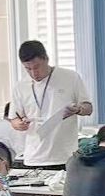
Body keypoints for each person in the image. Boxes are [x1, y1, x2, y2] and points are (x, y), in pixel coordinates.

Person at [9, 40, 92, 169]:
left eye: (37, 67)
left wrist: (78, 109)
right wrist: (19, 124)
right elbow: (14, 119)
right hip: (33, 158)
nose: (33, 73)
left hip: (65, 156)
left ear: (46, 59)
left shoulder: (70, 77)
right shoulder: (20, 86)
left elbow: (88, 108)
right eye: (28, 69)